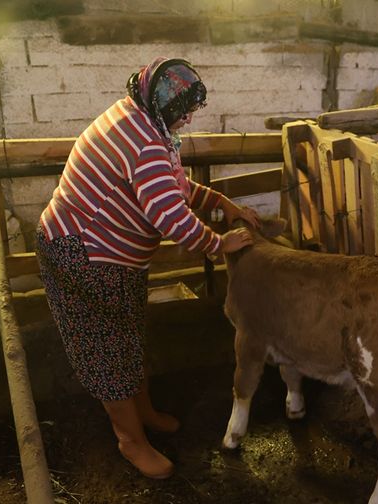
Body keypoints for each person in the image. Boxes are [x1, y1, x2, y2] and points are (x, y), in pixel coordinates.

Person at [35, 57, 259, 480]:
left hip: (110, 256)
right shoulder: (143, 140)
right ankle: (130, 439)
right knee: (109, 349)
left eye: (190, 108)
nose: (188, 118)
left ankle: (144, 412)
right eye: (181, 110)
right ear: (159, 102)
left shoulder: (144, 120)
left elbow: (171, 183)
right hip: (84, 256)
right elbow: (169, 215)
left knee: (128, 335)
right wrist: (218, 243)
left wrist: (218, 202)